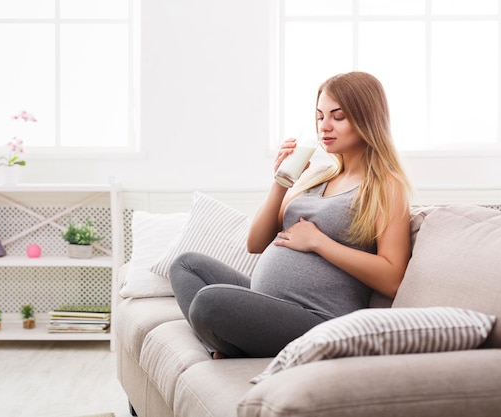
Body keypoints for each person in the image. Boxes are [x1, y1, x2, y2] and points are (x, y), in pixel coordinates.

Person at [169, 71, 412, 359]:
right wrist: (281, 180)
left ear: (367, 119)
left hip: (318, 319)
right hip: (269, 303)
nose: (325, 126)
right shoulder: (317, 176)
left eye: (338, 116)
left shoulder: (386, 185)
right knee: (186, 265)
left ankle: (228, 343)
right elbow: (255, 243)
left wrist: (319, 242)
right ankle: (223, 346)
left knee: (209, 303)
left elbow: (393, 277)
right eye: (320, 116)